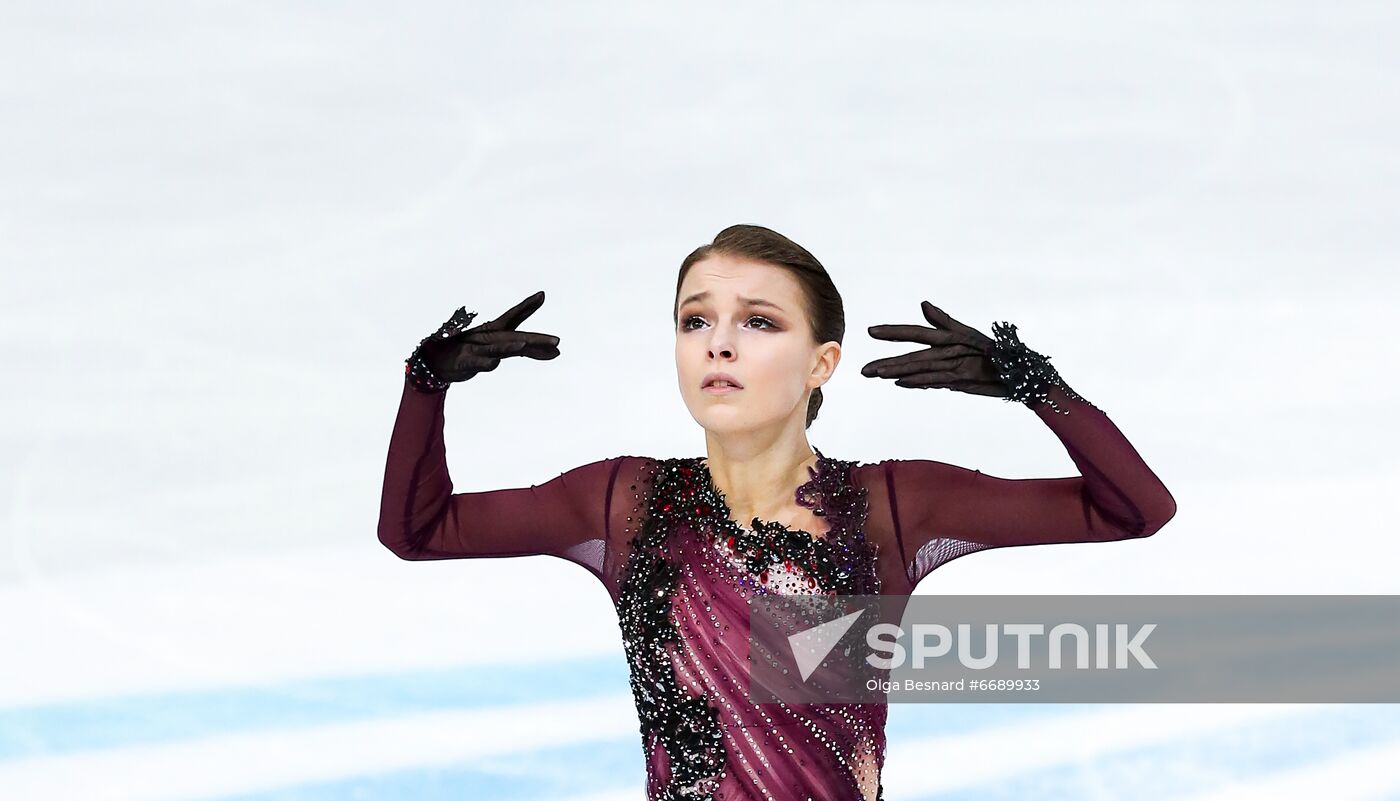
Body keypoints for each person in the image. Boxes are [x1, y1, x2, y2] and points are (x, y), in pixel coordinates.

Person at [377, 224, 1177, 801]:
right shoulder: (626, 502)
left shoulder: (890, 509)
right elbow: (417, 531)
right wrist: (427, 387)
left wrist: (1041, 390)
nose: (718, 344)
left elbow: (1134, 510)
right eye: (697, 320)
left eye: (758, 321)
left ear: (820, 362)